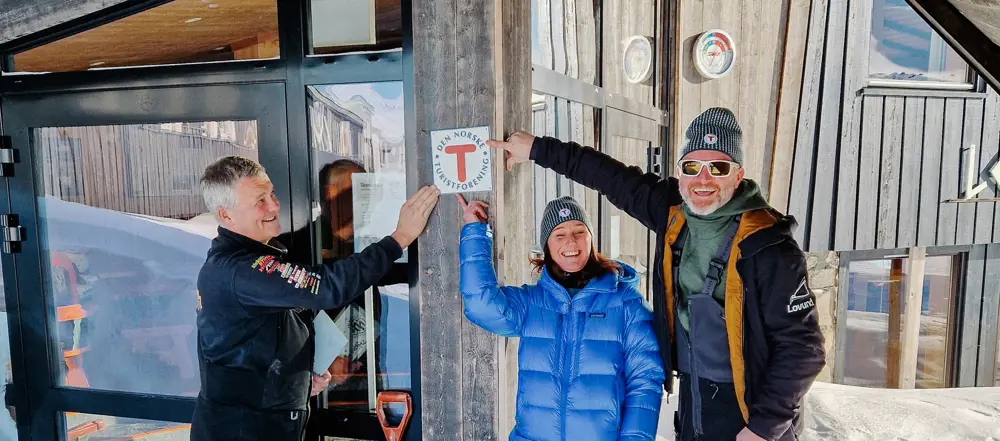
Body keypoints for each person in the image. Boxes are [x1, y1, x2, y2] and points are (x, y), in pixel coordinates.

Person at [487, 107, 826, 441]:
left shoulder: (769, 248)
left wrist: (762, 430)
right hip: (694, 406)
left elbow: (804, 349)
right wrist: (537, 149)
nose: (703, 180)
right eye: (692, 167)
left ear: (738, 176)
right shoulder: (673, 213)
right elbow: (608, 175)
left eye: (718, 167)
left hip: (753, 412)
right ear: (681, 172)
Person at [190, 156, 439, 441]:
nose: (274, 205)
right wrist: (400, 237)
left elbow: (248, 350)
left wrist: (296, 380)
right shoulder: (240, 271)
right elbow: (326, 287)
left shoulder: (250, 261)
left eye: (271, 193)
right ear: (226, 215)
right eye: (260, 200)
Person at [458, 194, 664, 441]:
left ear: (590, 239)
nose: (571, 241)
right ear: (547, 245)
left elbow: (645, 380)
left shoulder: (626, 302)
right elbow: (481, 304)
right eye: (559, 234)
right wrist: (475, 232)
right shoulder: (531, 302)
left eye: (579, 231)